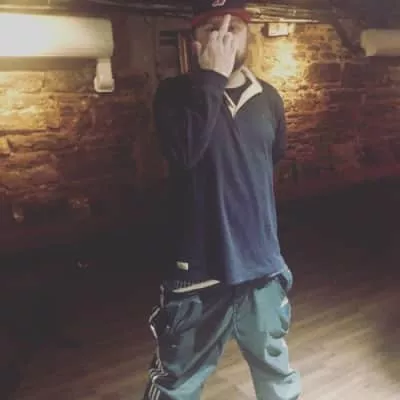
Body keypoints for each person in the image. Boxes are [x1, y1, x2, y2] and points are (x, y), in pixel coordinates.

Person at [142, 1, 301, 399]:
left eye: (234, 28)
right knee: (177, 382)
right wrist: (212, 78)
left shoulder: (268, 97)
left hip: (261, 266)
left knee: (276, 372)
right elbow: (184, 153)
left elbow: (270, 159)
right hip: (197, 270)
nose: (223, 36)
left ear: (249, 37)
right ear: (195, 42)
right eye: (211, 29)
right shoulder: (174, 95)